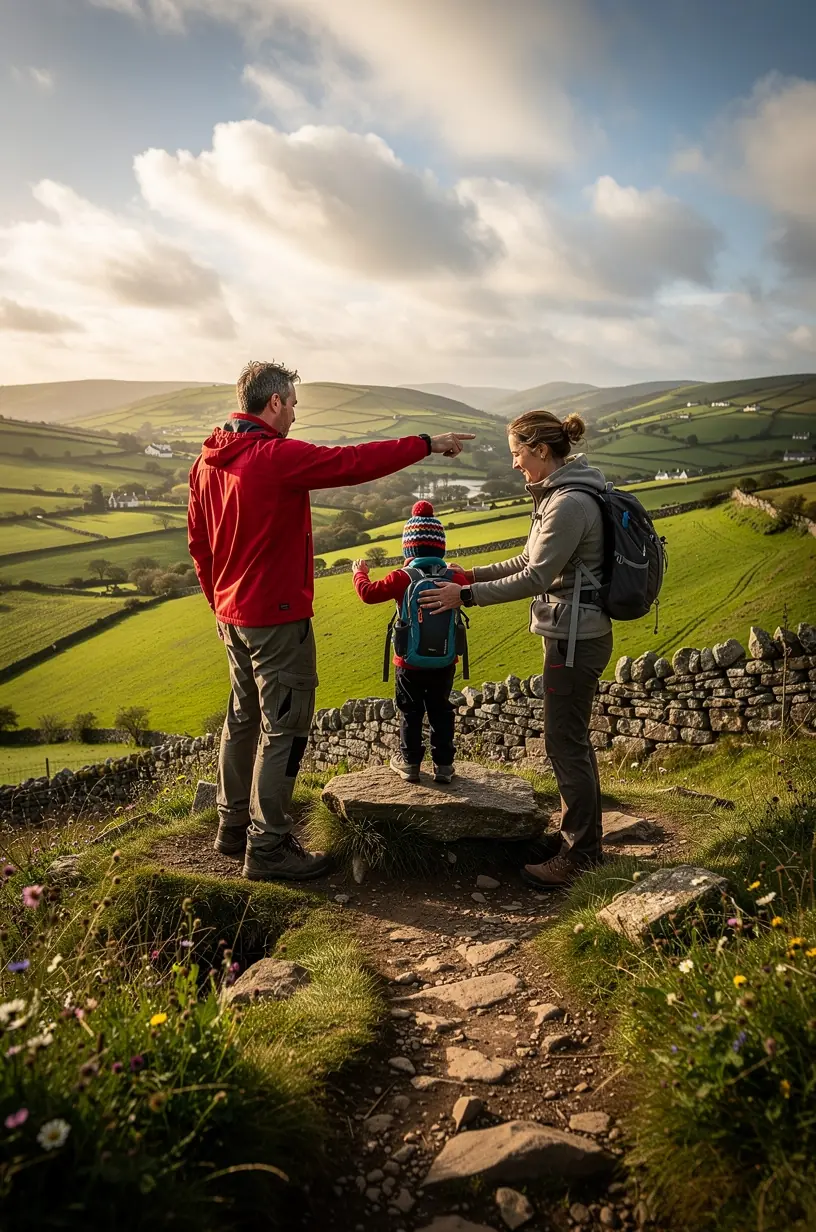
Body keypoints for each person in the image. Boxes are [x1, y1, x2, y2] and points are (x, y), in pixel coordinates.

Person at [188, 360, 474, 882]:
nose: (296, 413)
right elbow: (352, 462)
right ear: (273, 402)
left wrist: (219, 603)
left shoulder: (208, 461)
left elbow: (199, 545)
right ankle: (268, 846)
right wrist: (427, 443)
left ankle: (232, 828)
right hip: (275, 617)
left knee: (243, 717)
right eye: (293, 403)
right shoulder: (271, 457)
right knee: (286, 727)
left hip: (232, 616)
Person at [418, 410, 613, 889]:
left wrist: (463, 596)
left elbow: (534, 578)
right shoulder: (562, 494)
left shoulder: (568, 502)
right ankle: (576, 839)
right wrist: (473, 573)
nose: (514, 465)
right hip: (573, 631)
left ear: (541, 451)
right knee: (569, 739)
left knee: (564, 741)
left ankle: (582, 855)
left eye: (517, 454)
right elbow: (529, 558)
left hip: (575, 638)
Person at [352, 501, 469, 785]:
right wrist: (460, 570)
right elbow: (468, 591)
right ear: (439, 546)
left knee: (411, 710)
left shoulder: (403, 577)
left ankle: (411, 764)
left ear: (409, 548)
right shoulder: (453, 576)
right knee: (441, 709)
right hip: (444, 660)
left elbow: (367, 594)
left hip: (408, 661)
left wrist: (360, 572)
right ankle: (444, 766)